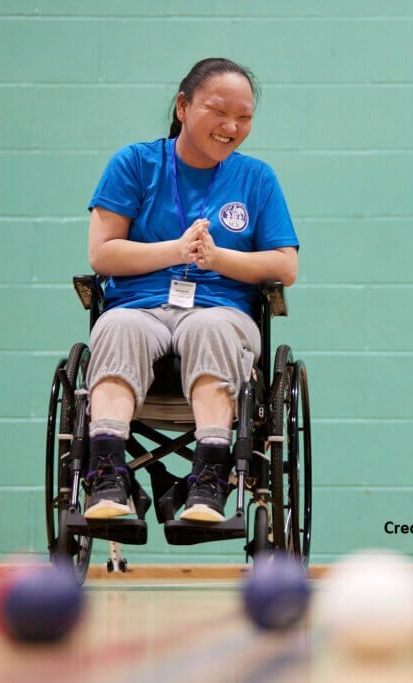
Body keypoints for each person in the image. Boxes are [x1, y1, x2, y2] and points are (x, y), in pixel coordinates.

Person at [83, 57, 299, 524]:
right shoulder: (135, 164)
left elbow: (286, 265)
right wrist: (177, 250)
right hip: (139, 306)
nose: (231, 127)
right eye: (219, 112)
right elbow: (102, 255)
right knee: (116, 326)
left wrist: (218, 259)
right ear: (183, 106)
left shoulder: (257, 178)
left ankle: (209, 479)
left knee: (212, 328)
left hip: (220, 308)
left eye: (243, 118)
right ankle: (107, 474)